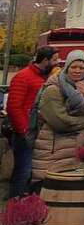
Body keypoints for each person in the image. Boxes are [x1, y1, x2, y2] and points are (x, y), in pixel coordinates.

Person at [31, 50, 84, 185]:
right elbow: (60, 122)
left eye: (81, 67)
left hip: (77, 153)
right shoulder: (53, 89)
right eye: (73, 67)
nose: (77, 71)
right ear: (67, 67)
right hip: (53, 153)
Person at [6, 46, 56, 197]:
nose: (57, 62)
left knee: (34, 169)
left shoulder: (45, 77)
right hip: (26, 132)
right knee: (24, 170)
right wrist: (24, 130)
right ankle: (16, 203)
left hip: (38, 131)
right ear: (45, 60)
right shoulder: (23, 77)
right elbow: (14, 106)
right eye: (54, 59)